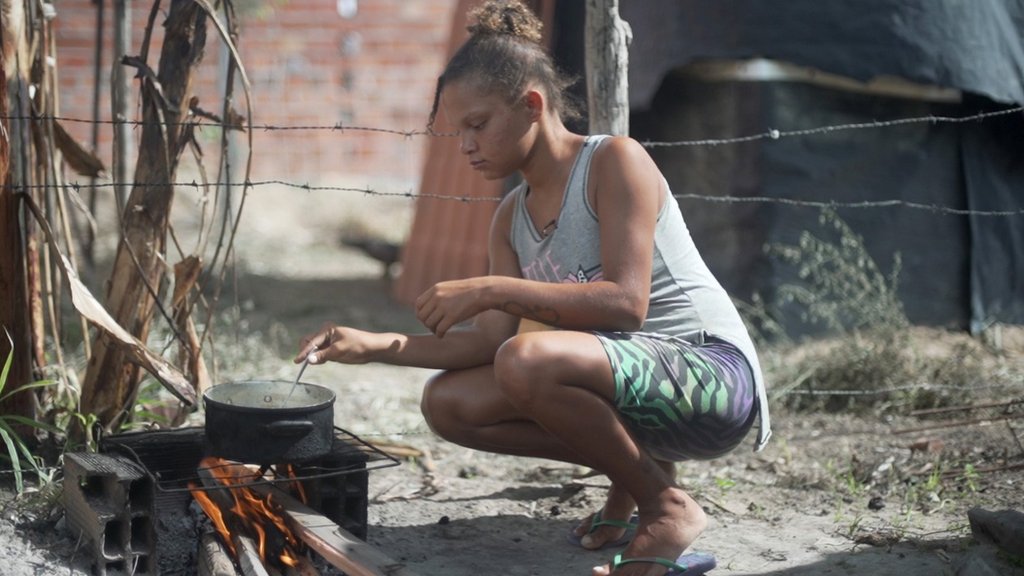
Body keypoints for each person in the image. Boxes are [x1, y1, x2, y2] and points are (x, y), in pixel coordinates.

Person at [295, 1, 771, 574]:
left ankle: (664, 506)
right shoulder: (510, 218)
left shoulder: (614, 162)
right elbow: (485, 345)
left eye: (478, 124)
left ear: (532, 105)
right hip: (641, 390)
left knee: (527, 359)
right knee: (450, 404)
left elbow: (626, 305)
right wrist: (374, 345)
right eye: (457, 131)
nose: (465, 144)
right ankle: (639, 477)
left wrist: (493, 288)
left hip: (714, 382)